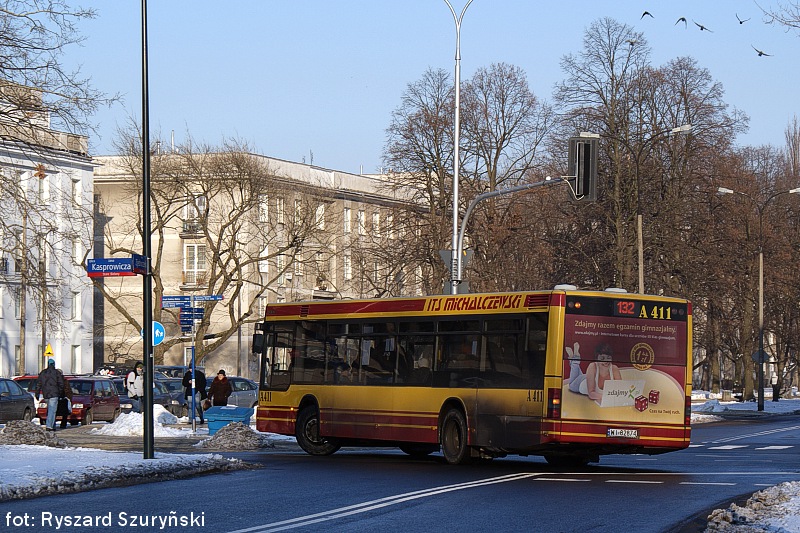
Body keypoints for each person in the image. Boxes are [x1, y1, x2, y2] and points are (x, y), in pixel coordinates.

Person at [38, 358, 64, 431]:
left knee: (50, 409)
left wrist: (37, 393)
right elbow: (61, 384)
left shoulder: (43, 373)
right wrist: (60, 392)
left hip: (46, 394)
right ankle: (49, 426)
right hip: (54, 394)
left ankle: (53, 425)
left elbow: (38, 383)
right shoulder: (56, 373)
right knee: (52, 410)